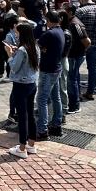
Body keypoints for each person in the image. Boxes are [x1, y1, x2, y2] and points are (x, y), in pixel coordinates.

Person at [5, 22, 40, 158]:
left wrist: (10, 54)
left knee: (22, 116)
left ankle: (22, 147)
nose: (16, 35)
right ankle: (31, 144)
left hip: (21, 85)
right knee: (30, 114)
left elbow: (14, 67)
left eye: (17, 33)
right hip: (32, 83)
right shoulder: (34, 46)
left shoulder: (22, 50)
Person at [35, 10, 65, 140]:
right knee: (55, 97)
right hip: (56, 68)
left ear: (49, 20)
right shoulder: (61, 32)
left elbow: (39, 45)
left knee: (41, 99)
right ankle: (57, 124)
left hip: (47, 70)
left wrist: (43, 49)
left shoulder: (49, 34)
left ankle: (42, 129)